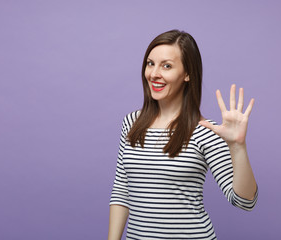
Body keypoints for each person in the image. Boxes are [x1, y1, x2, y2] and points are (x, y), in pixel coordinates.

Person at [107, 29, 258, 240]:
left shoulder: (205, 131)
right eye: (150, 63)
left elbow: (245, 201)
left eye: (166, 66)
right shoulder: (131, 123)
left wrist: (238, 146)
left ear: (187, 74)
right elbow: (122, 191)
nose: (154, 74)